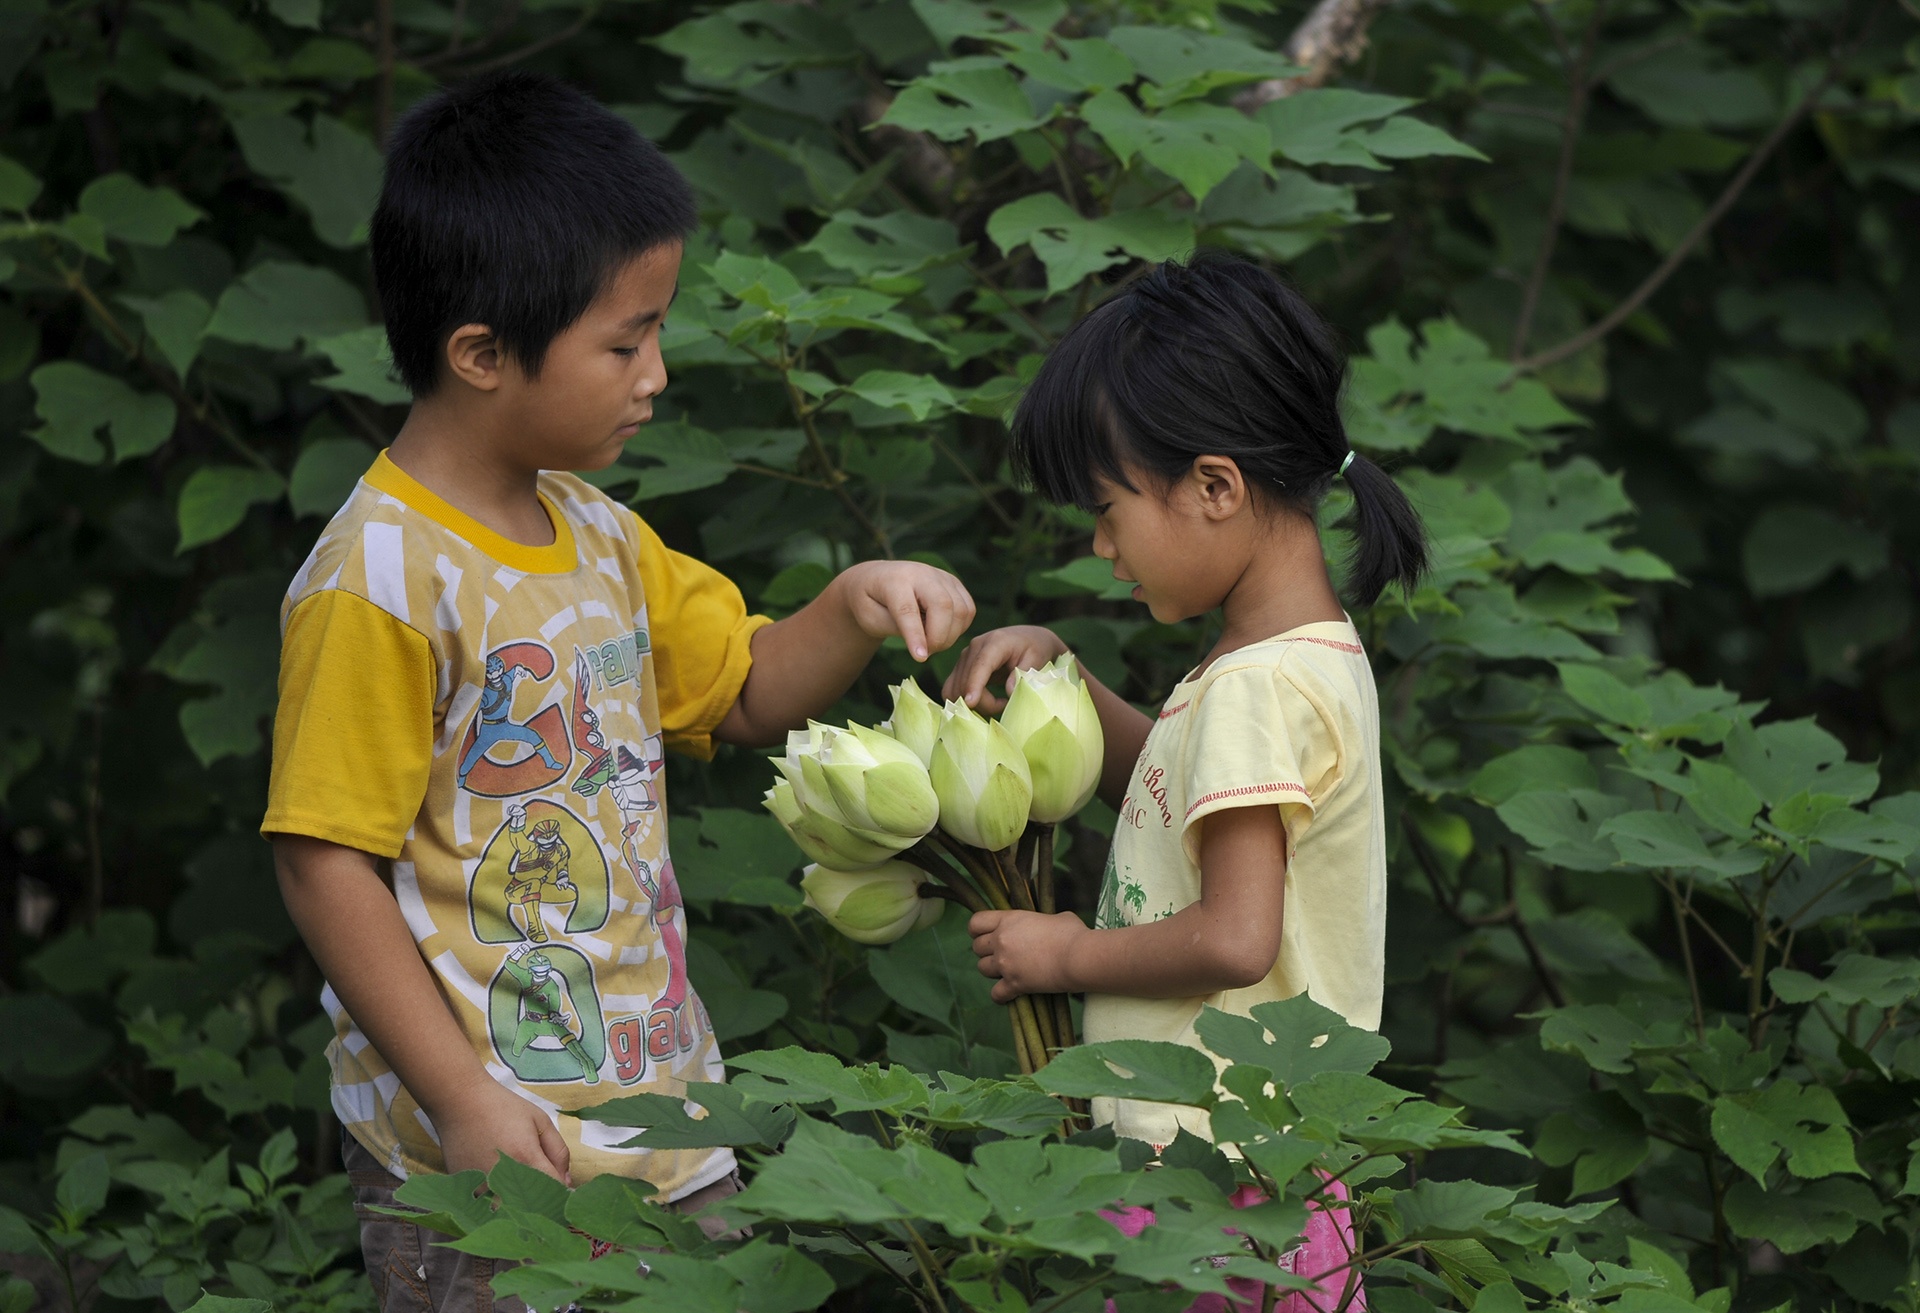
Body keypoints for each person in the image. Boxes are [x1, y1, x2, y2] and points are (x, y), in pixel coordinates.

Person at [262, 71, 975, 1313]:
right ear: (482, 352)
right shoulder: (379, 578)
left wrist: (855, 600)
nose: (657, 374)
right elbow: (323, 861)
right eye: (624, 341)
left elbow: (743, 687)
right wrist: (462, 1099)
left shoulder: (596, 531)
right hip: (492, 1163)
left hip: (669, 1125)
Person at [944, 253, 1426, 1313]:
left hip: (1211, 1183)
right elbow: (1170, 792)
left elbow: (1235, 935)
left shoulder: (1256, 686)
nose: (1101, 544)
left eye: (1108, 508)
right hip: (1263, 1170)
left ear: (1215, 486)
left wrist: (1067, 954)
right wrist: (1065, 685)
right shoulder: (1299, 658)